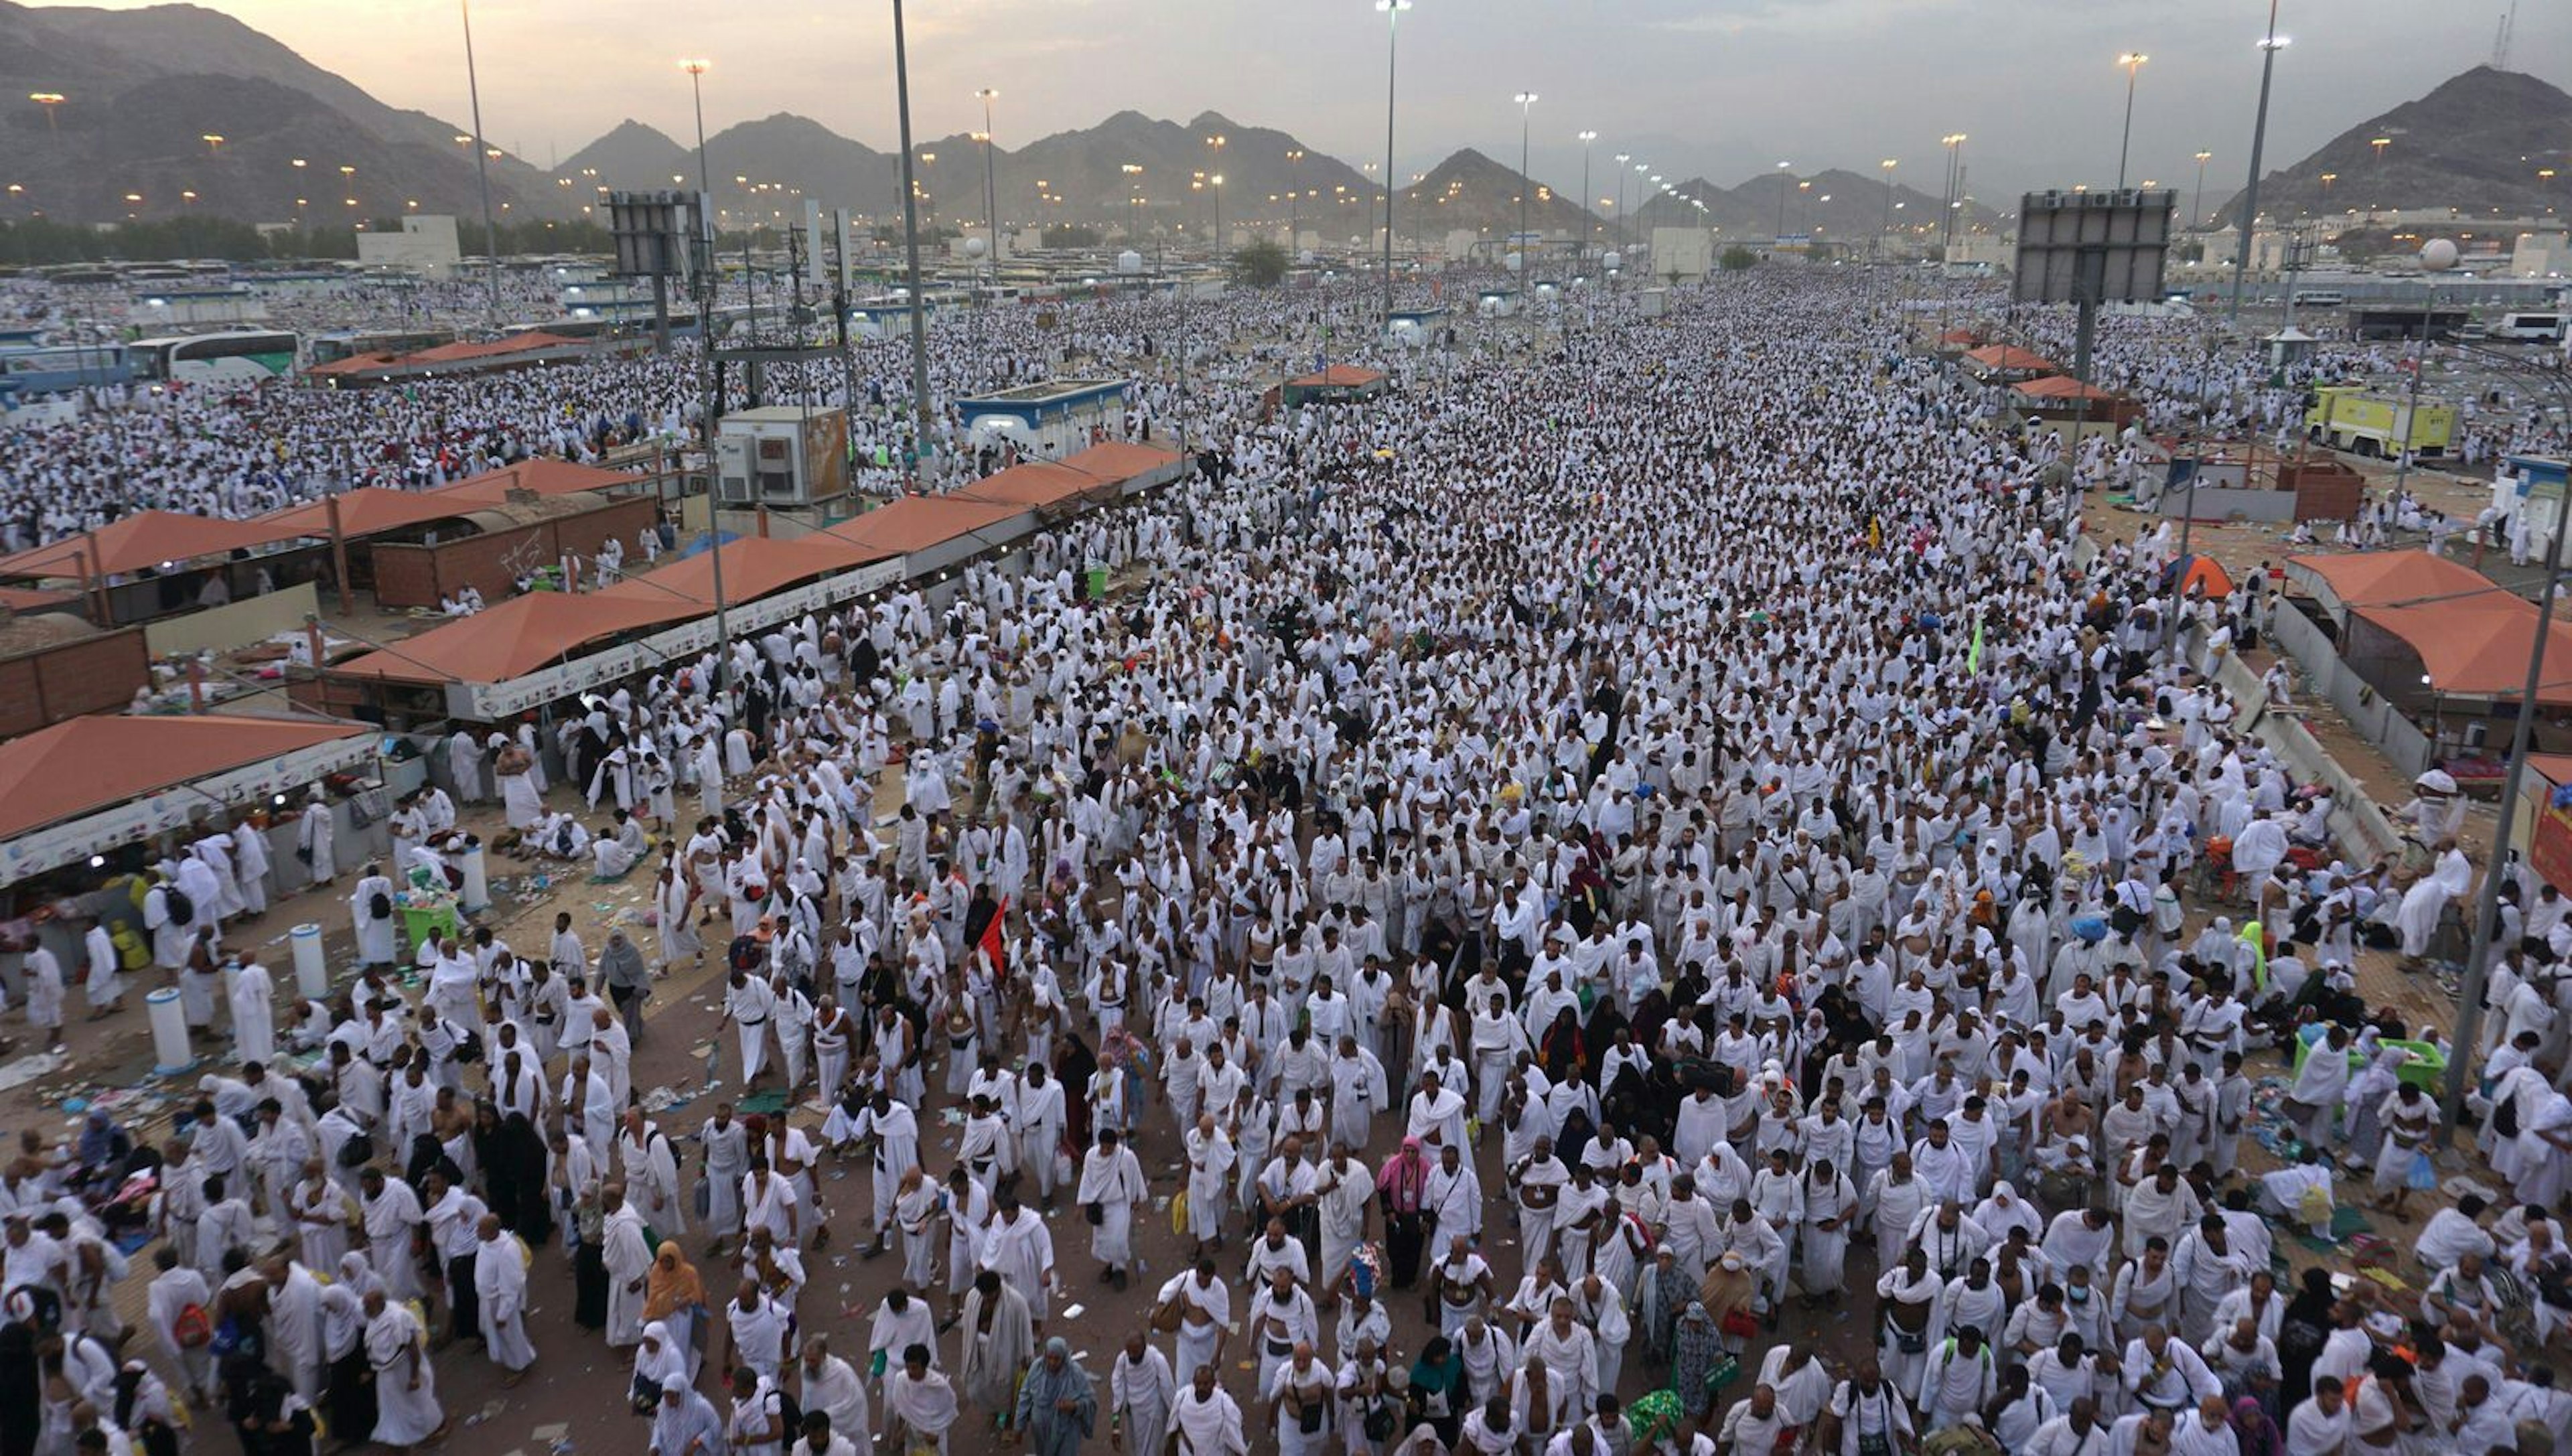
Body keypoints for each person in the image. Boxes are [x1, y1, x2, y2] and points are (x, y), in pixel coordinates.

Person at [1017, 1337, 1099, 1456]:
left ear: (1064, 1357)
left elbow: (1091, 1400)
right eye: (1049, 1358)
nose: (1052, 1362)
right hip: (1041, 1431)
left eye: (1057, 1359)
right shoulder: (1037, 1369)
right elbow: (1025, 1396)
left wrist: (1075, 1406)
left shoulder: (1075, 1373)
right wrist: (1019, 1426)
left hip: (1066, 1431)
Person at [887, 1343, 960, 1456]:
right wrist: (899, 1431)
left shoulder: (939, 1385)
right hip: (911, 1431)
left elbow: (946, 1410)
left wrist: (935, 1433)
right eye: (908, 1367)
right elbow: (901, 1408)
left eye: (914, 1368)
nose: (910, 1372)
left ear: (924, 1366)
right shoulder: (901, 1380)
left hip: (934, 1433)